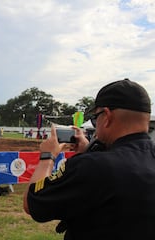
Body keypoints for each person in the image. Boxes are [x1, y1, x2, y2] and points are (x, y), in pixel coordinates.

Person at [23, 79, 155, 239]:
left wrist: (47, 157)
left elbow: (33, 203)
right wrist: (88, 151)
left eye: (95, 117)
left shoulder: (94, 166)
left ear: (106, 116)